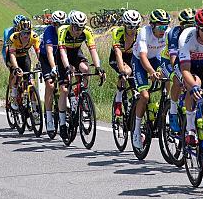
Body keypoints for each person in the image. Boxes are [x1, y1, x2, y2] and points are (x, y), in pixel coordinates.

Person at [56, 11, 104, 140]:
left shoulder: (86, 31)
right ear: (71, 24)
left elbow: (92, 50)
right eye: (76, 27)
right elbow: (62, 52)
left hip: (76, 52)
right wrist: (66, 67)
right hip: (63, 55)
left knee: (85, 68)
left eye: (81, 28)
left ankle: (82, 93)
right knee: (64, 89)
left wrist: (98, 66)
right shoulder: (62, 30)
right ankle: (62, 124)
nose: (79, 31)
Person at [177, 7, 203, 146]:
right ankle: (190, 129)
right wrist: (194, 87)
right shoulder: (186, 38)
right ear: (197, 28)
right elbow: (185, 70)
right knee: (195, 84)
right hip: (190, 68)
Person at [131, 9, 171, 148]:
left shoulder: (167, 33)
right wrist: (152, 72)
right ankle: (136, 130)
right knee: (145, 96)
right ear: (152, 25)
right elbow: (142, 56)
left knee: (170, 82)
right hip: (139, 61)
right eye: (160, 26)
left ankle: (167, 111)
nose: (163, 30)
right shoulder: (144, 32)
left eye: (165, 26)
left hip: (157, 59)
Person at [166, 8, 195, 132]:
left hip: (188, 59)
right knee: (177, 81)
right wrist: (182, 78)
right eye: (186, 25)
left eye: (192, 24)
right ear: (181, 24)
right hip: (168, 60)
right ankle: (172, 111)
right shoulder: (174, 33)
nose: (190, 27)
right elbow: (173, 59)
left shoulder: (197, 33)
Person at [109, 10, 141, 117]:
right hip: (117, 57)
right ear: (124, 25)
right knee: (127, 72)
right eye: (130, 27)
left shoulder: (140, 33)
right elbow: (118, 53)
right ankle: (118, 101)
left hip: (131, 57)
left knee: (136, 85)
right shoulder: (118, 32)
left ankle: (133, 109)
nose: (133, 30)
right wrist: (122, 71)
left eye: (135, 26)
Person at [38, 10, 66, 130]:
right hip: (46, 57)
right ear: (53, 24)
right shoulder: (49, 31)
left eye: (62, 24)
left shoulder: (66, 31)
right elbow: (49, 52)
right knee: (50, 85)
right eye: (56, 24)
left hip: (59, 56)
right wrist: (54, 68)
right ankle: (49, 118)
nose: (59, 27)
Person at [6, 18, 41, 111]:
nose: (26, 35)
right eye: (23, 33)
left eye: (28, 32)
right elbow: (12, 55)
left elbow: (38, 52)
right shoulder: (13, 38)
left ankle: (34, 109)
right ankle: (13, 95)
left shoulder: (34, 37)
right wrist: (16, 68)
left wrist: (41, 62)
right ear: (19, 32)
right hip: (12, 57)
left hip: (24, 56)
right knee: (17, 74)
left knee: (31, 82)